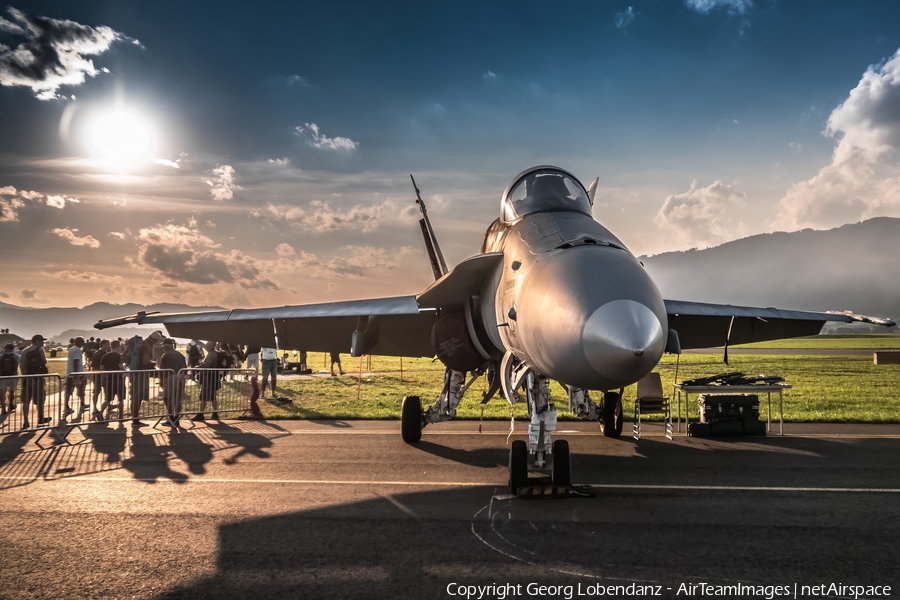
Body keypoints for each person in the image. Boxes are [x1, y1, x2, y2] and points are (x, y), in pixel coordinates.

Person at [19, 334, 50, 429]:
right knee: (40, 398)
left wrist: (24, 376)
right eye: (41, 341)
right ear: (37, 341)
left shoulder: (25, 351)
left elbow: (21, 364)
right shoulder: (39, 350)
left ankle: (25, 420)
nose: (43, 343)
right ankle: (40, 417)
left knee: (26, 400)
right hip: (37, 377)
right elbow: (44, 362)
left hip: (27, 377)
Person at [157, 338, 186, 427]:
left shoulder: (165, 355)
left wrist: (161, 381)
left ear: (165, 346)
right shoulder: (180, 354)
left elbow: (162, 370)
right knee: (178, 398)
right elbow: (185, 367)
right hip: (180, 377)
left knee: (167, 398)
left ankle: (170, 417)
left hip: (169, 377)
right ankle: (176, 417)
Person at [98, 340, 126, 421]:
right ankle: (121, 416)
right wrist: (124, 369)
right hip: (118, 380)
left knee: (107, 399)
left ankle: (100, 413)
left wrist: (103, 379)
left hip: (109, 380)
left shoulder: (105, 356)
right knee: (120, 399)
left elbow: (101, 369)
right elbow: (120, 367)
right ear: (117, 346)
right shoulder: (118, 356)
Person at [195, 341, 221, 421]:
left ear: (211, 345)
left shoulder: (212, 354)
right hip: (213, 377)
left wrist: (199, 366)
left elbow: (208, 364)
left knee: (203, 396)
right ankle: (215, 413)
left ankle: (201, 414)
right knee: (213, 397)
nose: (206, 345)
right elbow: (201, 344)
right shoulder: (214, 352)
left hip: (209, 378)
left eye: (208, 344)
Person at [64, 336, 87, 417]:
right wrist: (76, 374)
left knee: (69, 391)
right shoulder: (77, 350)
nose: (83, 343)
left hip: (70, 373)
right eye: (82, 342)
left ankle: (66, 406)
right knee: (81, 389)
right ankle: (82, 404)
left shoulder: (71, 349)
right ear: (78, 342)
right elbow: (75, 361)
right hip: (77, 373)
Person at [89, 339, 110, 413]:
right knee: (106, 391)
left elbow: (91, 364)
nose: (108, 345)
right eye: (107, 344)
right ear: (103, 345)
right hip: (102, 375)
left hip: (96, 374)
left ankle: (95, 408)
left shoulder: (96, 352)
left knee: (96, 392)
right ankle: (107, 405)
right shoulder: (104, 353)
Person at [0, 343, 19, 415]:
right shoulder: (16, 356)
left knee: (2, 393)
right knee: (12, 391)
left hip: (3, 376)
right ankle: (10, 405)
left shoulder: (1, 356)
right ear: (13, 349)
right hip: (13, 376)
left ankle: (3, 408)